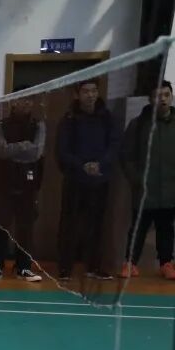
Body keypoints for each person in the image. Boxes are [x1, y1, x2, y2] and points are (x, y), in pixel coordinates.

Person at [55, 79, 119, 280]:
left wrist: (100, 164)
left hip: (99, 180)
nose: (90, 95)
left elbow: (114, 145)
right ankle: (65, 268)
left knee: (97, 225)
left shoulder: (107, 117)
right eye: (86, 91)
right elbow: (63, 151)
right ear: (78, 94)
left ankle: (94, 267)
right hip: (75, 180)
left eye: (93, 91)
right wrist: (82, 165)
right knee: (70, 225)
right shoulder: (69, 119)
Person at [0, 91, 45, 283]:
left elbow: (36, 152)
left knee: (26, 228)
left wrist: (13, 150)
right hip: (3, 183)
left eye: (30, 100)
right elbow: (0, 150)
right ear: (13, 103)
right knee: (1, 226)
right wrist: (24, 146)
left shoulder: (38, 125)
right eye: (22, 99)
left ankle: (24, 267)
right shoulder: (0, 125)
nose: (26, 103)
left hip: (28, 184)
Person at [120, 80, 175, 279]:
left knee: (166, 228)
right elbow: (126, 156)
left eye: (167, 95)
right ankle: (130, 263)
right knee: (138, 228)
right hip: (144, 190)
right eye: (158, 96)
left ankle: (166, 263)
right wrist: (137, 179)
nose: (163, 100)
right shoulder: (138, 124)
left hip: (169, 189)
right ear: (150, 99)